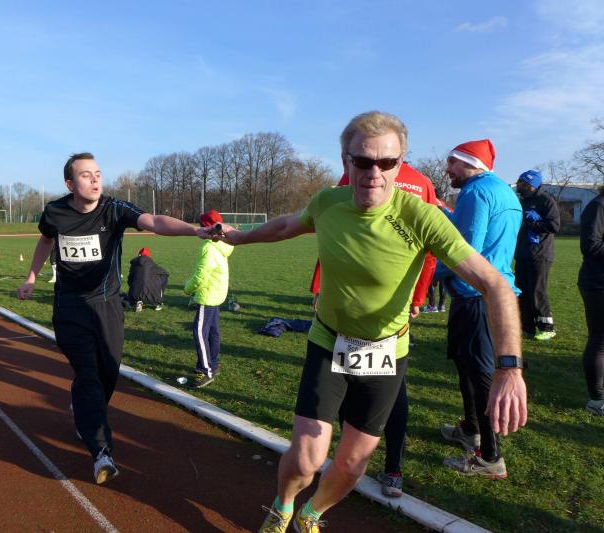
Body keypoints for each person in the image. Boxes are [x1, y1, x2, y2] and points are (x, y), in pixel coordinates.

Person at [214, 112, 527, 532]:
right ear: (346, 160)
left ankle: (311, 515)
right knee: (306, 458)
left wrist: (509, 369)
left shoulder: (423, 217)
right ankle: (283, 506)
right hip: (329, 342)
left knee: (352, 464)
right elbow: (288, 225)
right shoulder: (328, 202)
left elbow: (496, 286)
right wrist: (239, 237)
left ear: (401, 163)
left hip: (385, 353)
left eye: (387, 162)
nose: (374, 173)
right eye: (362, 161)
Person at [16, 152, 212, 484]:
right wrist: (32, 276)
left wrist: (195, 230)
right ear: (70, 184)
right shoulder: (55, 212)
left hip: (107, 304)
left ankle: (83, 407)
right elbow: (46, 240)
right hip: (70, 306)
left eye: (98, 173)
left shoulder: (114, 209)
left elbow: (154, 222)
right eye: (85, 175)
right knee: (89, 373)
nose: (95, 179)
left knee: (108, 371)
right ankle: (101, 451)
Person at [311, 162, 439, 498]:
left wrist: (319, 287)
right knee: (389, 390)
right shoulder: (420, 182)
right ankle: (388, 469)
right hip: (381, 310)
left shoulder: (372, 173)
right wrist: (418, 298)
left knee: (357, 382)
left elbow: (332, 237)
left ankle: (363, 460)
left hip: (361, 309)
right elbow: (429, 254)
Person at [436, 139, 523, 479]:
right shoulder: (503, 191)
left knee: (481, 376)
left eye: (452, 163)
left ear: (470, 163)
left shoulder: (474, 192)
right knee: (468, 369)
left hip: (476, 295)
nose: (448, 170)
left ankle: (490, 456)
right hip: (492, 293)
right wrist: (446, 214)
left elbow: (464, 249)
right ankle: (470, 430)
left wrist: (423, 274)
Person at [184, 210, 234, 388]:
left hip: (208, 296)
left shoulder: (208, 247)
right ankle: (214, 363)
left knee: (199, 332)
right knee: (213, 331)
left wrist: (187, 288)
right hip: (217, 294)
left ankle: (206, 370)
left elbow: (200, 276)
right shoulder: (223, 245)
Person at [515, 170, 560, 341]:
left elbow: (554, 226)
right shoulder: (520, 201)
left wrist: (536, 222)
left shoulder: (546, 200)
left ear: (531, 185)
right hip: (522, 253)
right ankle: (527, 327)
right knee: (522, 291)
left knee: (536, 291)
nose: (519, 185)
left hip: (540, 254)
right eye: (519, 181)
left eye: (522, 183)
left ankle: (547, 327)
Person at [579, 185, 604, 416]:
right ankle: (597, 400)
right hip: (597, 284)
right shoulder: (598, 206)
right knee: (599, 340)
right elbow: (590, 245)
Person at [127, 247, 169, 311]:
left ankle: (138, 301)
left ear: (139, 255)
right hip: (152, 295)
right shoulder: (151, 264)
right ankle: (157, 303)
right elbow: (165, 273)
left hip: (134, 294)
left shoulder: (134, 265)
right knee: (164, 277)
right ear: (149, 256)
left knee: (136, 282)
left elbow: (129, 280)